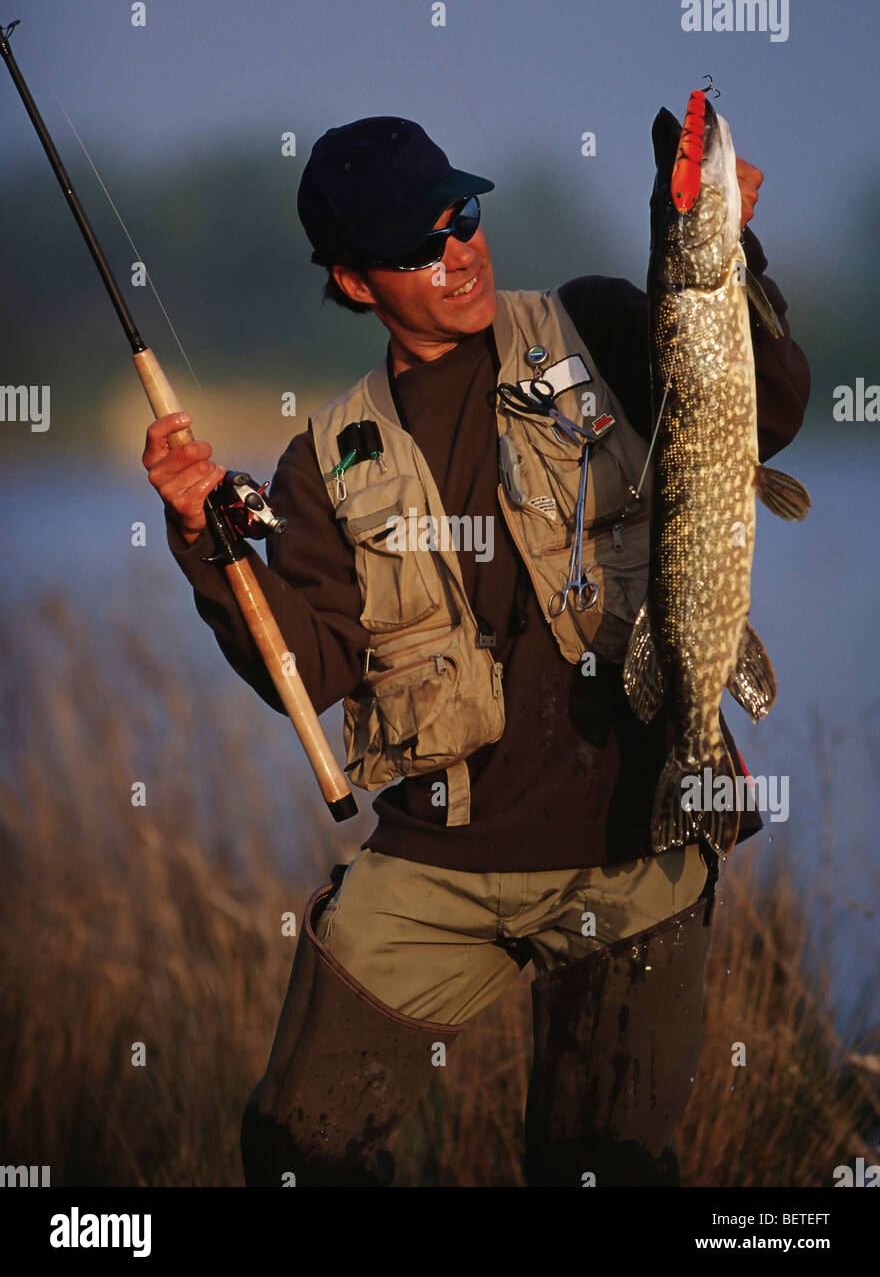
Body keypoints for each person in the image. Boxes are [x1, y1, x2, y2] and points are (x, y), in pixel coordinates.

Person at [142, 116, 810, 1187]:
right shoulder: (323, 462)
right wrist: (198, 542)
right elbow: (306, 671)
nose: (461, 250)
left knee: (604, 1168)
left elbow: (763, 410)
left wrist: (726, 243)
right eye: (423, 242)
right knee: (293, 1149)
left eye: (467, 217)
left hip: (629, 842)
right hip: (439, 864)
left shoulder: (589, 324)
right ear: (356, 283)